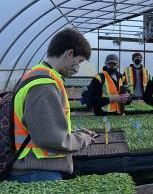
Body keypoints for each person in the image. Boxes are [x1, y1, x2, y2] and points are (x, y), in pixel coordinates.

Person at [9, 28, 96, 182]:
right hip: (37, 171)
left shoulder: (37, 74)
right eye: (80, 61)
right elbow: (52, 139)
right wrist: (82, 139)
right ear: (69, 54)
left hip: (35, 168)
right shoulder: (43, 86)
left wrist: (76, 133)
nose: (78, 67)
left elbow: (41, 127)